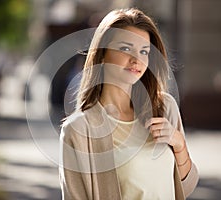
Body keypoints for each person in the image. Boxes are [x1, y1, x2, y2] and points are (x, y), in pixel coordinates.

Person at [59, 8, 199, 200]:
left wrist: (179, 145)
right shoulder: (78, 130)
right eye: (125, 48)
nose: (136, 60)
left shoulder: (164, 107)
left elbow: (186, 186)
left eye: (144, 51)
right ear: (102, 54)